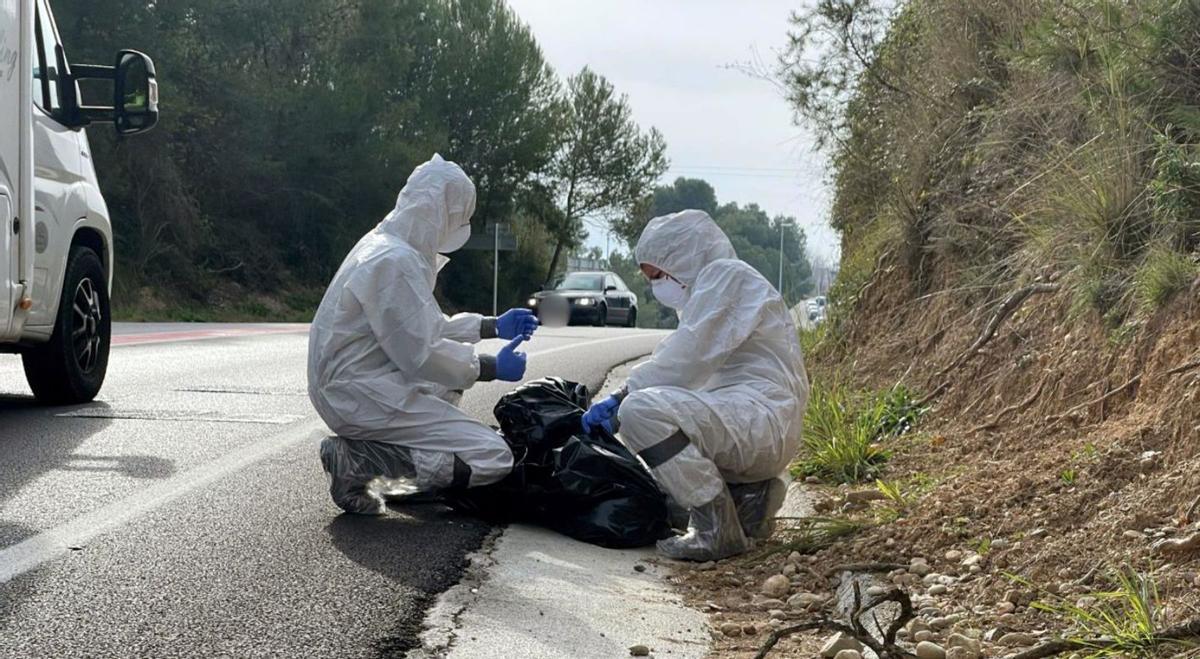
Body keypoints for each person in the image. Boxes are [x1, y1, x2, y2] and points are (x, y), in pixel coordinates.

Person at [308, 154, 539, 515]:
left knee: (448, 384)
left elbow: (420, 328)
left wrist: (491, 325)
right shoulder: (393, 261)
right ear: (440, 212)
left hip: (356, 383)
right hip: (360, 392)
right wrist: (490, 367)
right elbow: (424, 352)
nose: (461, 226)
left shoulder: (386, 246)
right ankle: (361, 463)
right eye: (460, 217)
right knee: (493, 455)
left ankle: (393, 462)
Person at [581, 209, 809, 561]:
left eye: (659, 275)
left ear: (684, 257)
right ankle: (749, 500)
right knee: (668, 489)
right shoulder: (714, 290)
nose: (657, 286)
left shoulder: (726, 277)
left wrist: (623, 394)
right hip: (756, 422)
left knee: (641, 413)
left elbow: (685, 359)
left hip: (760, 421)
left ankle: (715, 528)